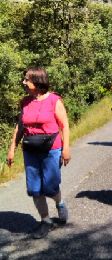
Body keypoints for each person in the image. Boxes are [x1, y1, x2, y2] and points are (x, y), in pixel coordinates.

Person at [6, 67, 71, 238]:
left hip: (51, 149)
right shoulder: (25, 102)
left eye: (27, 80)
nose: (24, 83)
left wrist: (66, 148)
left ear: (38, 81)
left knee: (50, 186)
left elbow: (64, 125)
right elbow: (20, 126)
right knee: (35, 189)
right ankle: (46, 221)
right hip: (30, 150)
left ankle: (60, 202)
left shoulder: (54, 100)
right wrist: (12, 147)